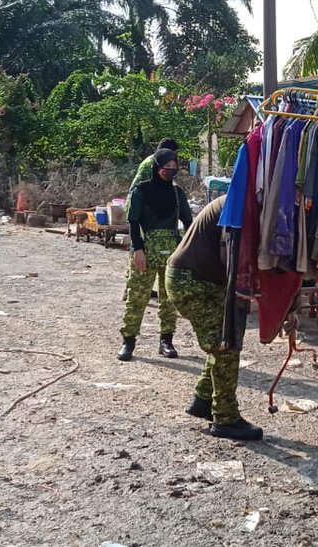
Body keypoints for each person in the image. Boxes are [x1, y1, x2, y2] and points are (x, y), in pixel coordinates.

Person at [165, 195, 263, 441]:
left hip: (191, 277)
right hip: (193, 281)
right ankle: (225, 419)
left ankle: (203, 399)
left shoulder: (240, 200)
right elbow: (228, 256)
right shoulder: (239, 205)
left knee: (219, 340)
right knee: (225, 345)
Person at [117, 148, 193, 361]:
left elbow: (188, 222)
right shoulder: (141, 191)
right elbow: (133, 223)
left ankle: (166, 341)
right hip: (144, 253)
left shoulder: (177, 194)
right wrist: (138, 249)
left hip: (172, 254)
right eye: (166, 166)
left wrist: (187, 250)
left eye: (174, 167)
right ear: (157, 166)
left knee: (169, 299)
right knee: (137, 298)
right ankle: (128, 342)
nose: (170, 171)